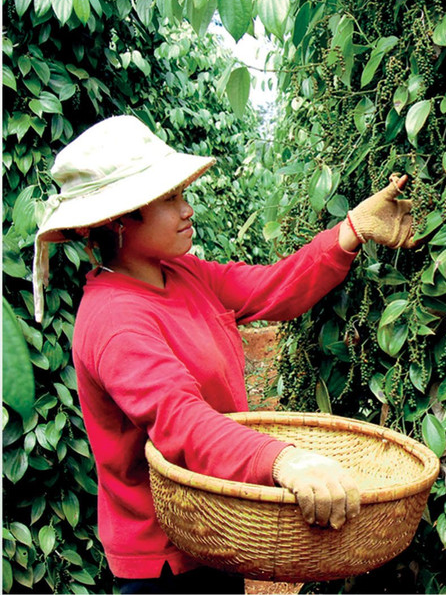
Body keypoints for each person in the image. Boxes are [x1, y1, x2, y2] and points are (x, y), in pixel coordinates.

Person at [31, 115, 417, 594]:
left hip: (215, 525)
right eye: (169, 199)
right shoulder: (114, 320)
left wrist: (354, 228)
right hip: (165, 563)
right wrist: (284, 462)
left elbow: (273, 289)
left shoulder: (183, 273)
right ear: (118, 220)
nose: (187, 209)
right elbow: (180, 420)